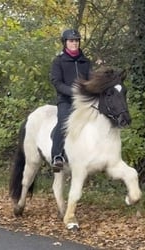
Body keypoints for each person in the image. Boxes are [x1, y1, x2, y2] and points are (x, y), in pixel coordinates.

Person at [50, 29, 92, 172]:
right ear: (65, 42)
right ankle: (57, 156)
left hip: (84, 101)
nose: (74, 43)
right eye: (71, 41)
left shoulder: (85, 62)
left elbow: (90, 80)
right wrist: (72, 91)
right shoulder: (58, 61)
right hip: (66, 100)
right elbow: (57, 82)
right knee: (64, 122)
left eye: (76, 41)